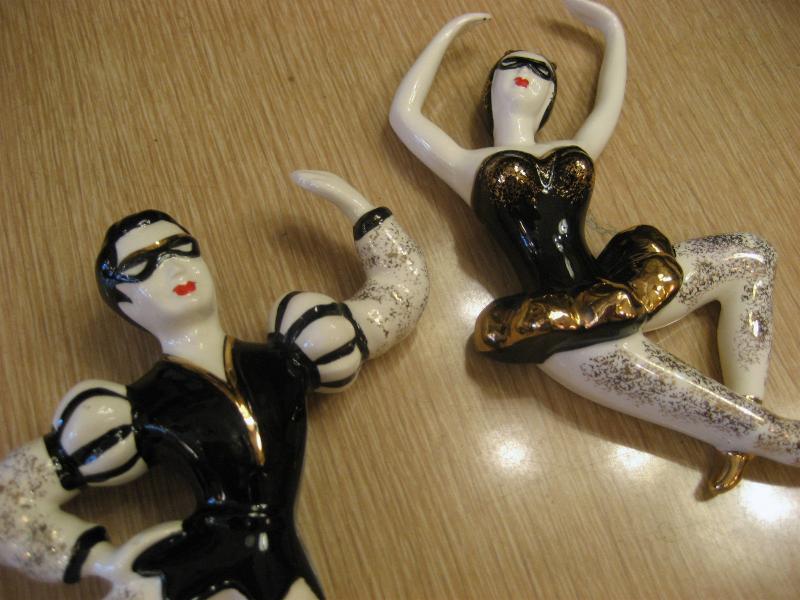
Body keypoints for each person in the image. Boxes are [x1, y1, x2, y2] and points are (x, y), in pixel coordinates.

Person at [390, 0, 793, 493]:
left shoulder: (574, 149)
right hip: (562, 326)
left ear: (549, 97)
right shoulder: (466, 164)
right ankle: (746, 431)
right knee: (752, 427)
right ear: (491, 87)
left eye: (542, 71)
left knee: (750, 255)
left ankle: (742, 421)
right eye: (511, 66)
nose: (527, 74)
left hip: (625, 280)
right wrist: (448, 34)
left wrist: (612, 29)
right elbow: (405, 116)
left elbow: (608, 103)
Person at [0, 171, 429, 599]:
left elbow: (399, 294)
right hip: (189, 578)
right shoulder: (135, 412)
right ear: (125, 304)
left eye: (182, 249)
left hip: (276, 561)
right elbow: (9, 499)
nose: (174, 267)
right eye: (142, 267)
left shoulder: (293, 356)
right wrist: (100, 560)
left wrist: (357, 207)